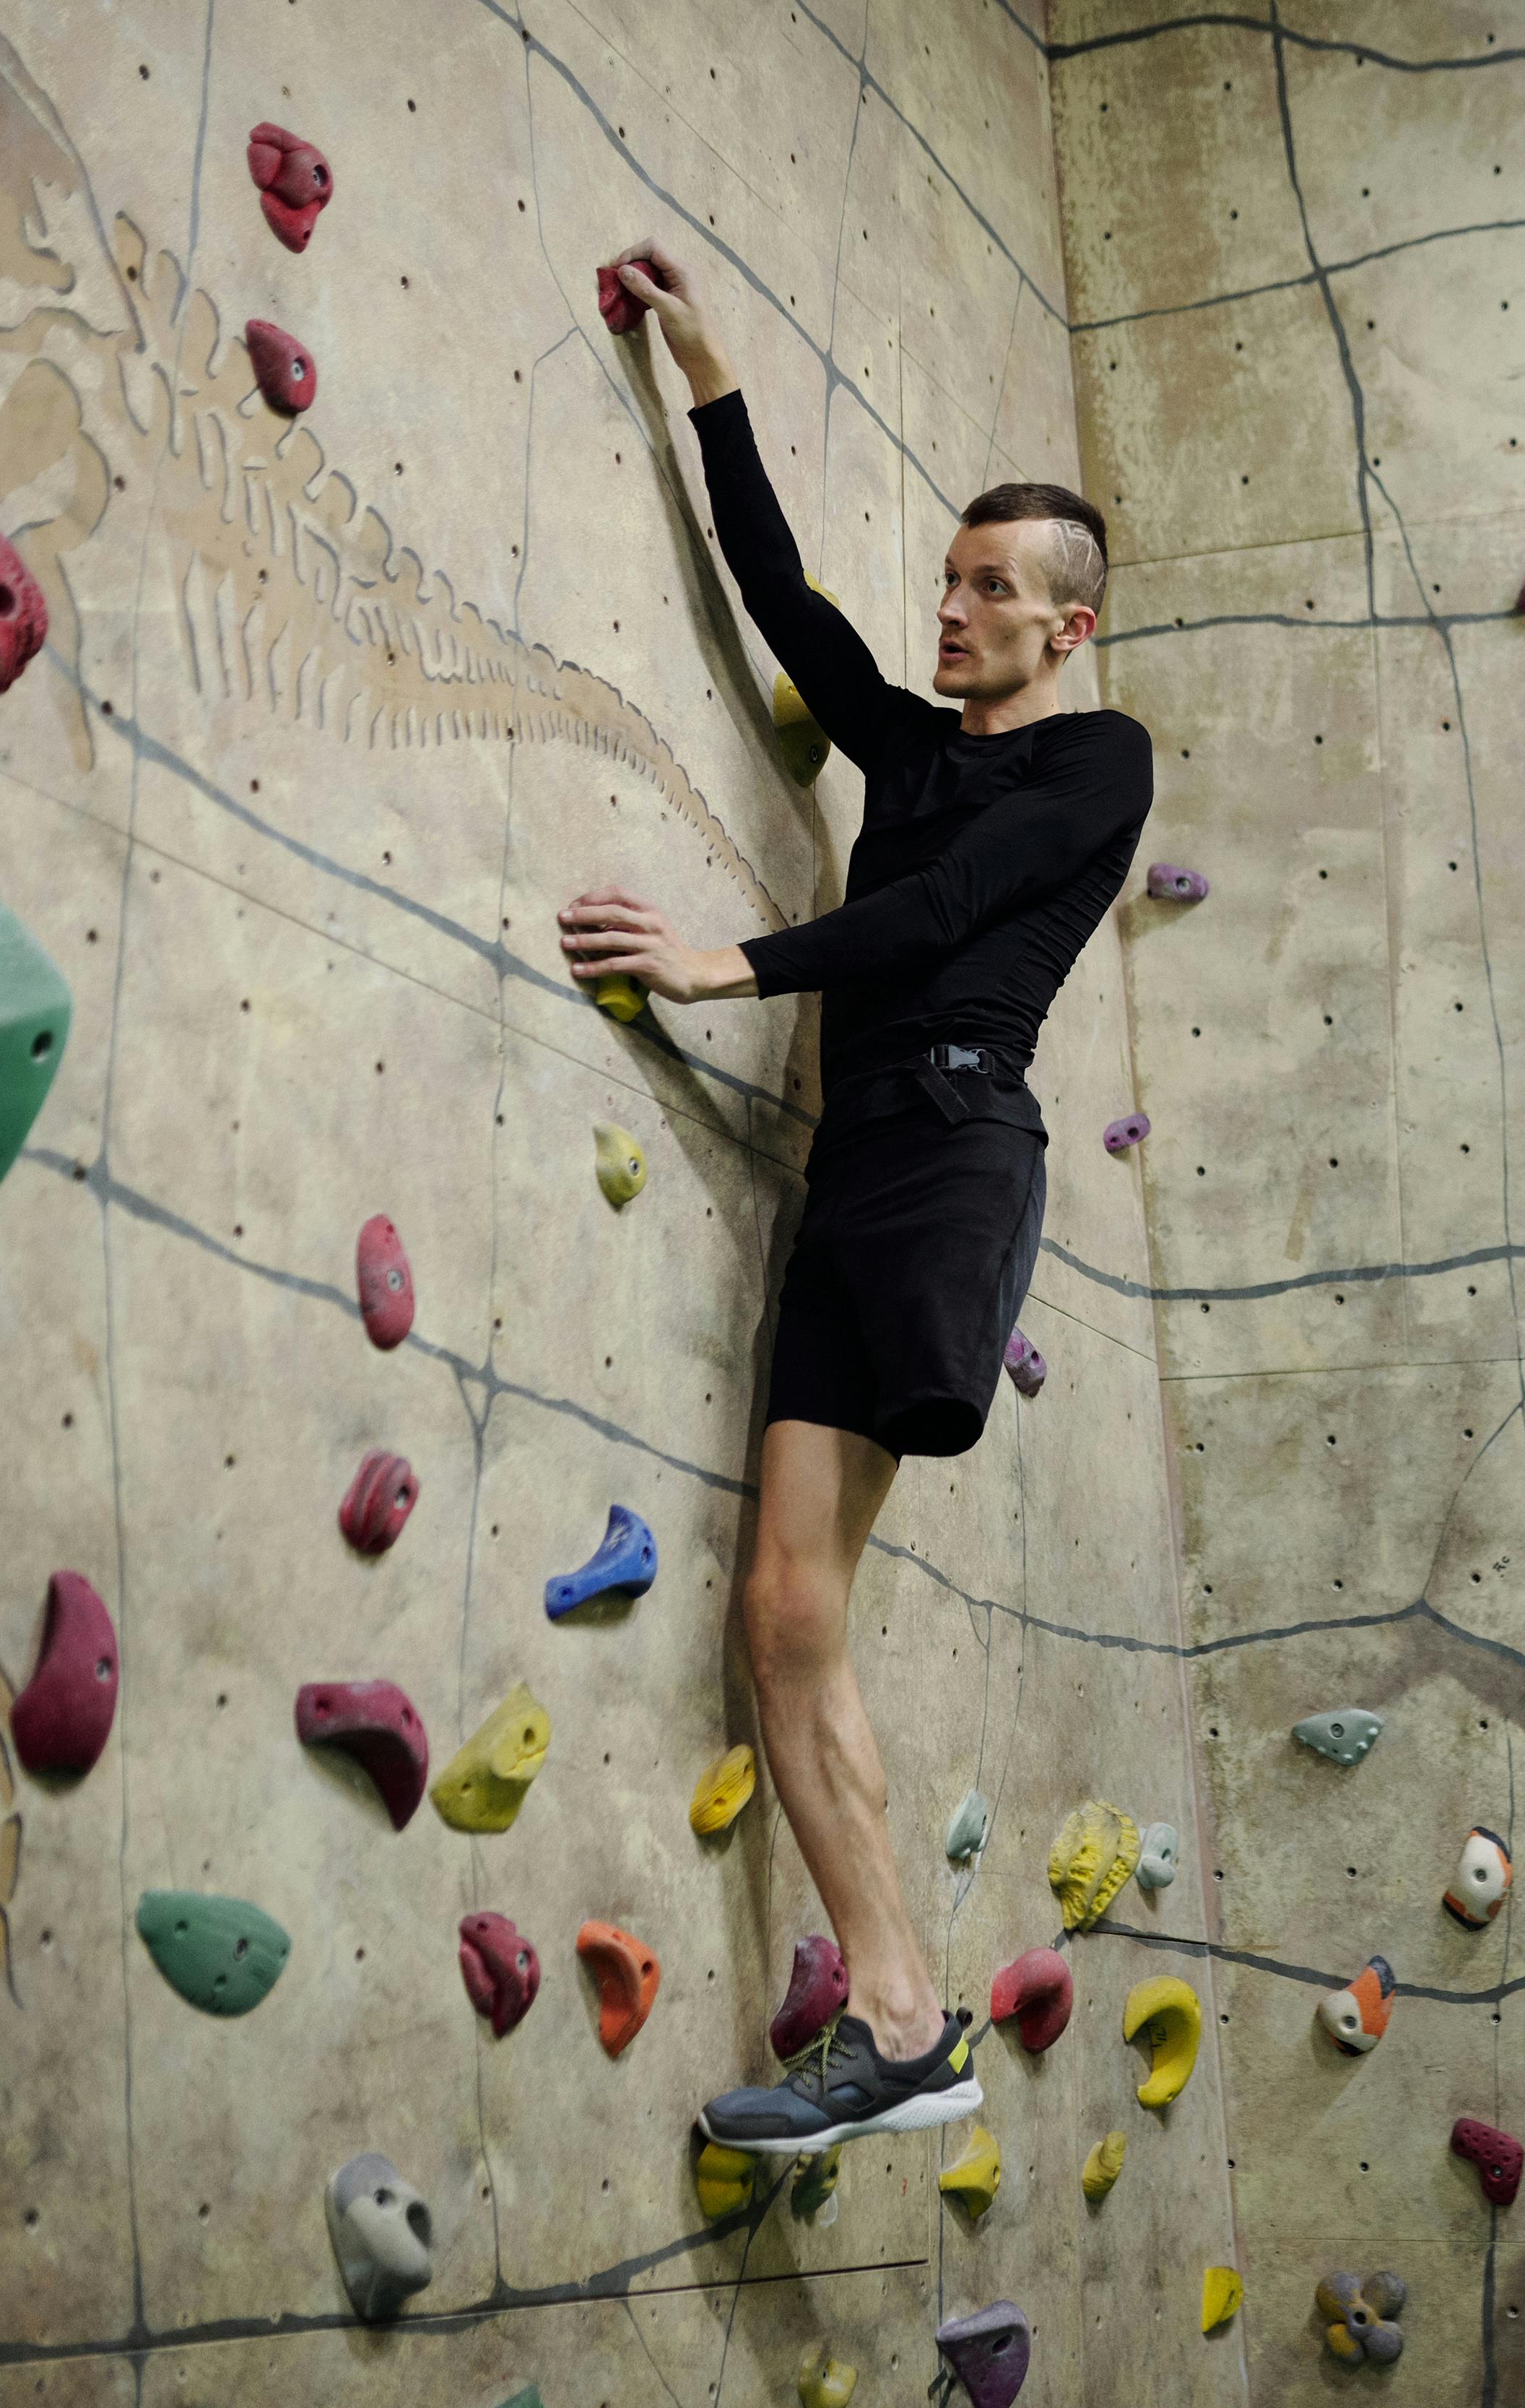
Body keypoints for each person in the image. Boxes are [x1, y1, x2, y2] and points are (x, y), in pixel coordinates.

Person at [562, 238, 1150, 2155]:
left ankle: (904, 2021)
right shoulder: (900, 745)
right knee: (783, 1614)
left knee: (807, 1606)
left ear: (1067, 624)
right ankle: (902, 2018)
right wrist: (705, 368)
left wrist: (732, 962)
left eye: (992, 589)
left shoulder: (1100, 764)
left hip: (956, 1166)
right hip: (853, 1173)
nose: (952, 608)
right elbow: (778, 590)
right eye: (951, 579)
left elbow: (946, 911)